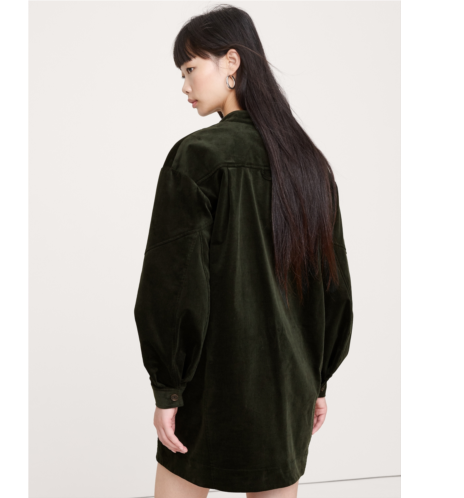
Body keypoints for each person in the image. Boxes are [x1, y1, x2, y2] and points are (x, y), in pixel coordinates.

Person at [134, 5, 354, 498]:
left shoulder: (198, 157)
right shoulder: (311, 166)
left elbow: (174, 286)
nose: (184, 86)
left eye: (190, 68)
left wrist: (168, 387)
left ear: (231, 62)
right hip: (288, 389)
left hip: (209, 387)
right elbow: (333, 288)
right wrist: (317, 380)